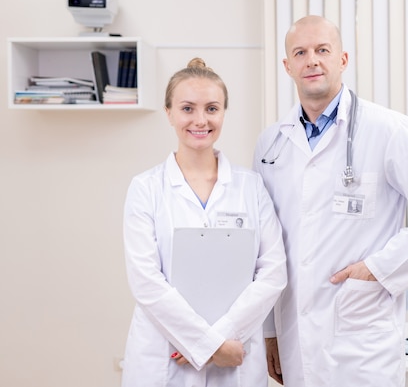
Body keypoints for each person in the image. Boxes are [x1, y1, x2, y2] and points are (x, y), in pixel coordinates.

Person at [253, 15, 408, 387]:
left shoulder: (387, 129)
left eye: (322, 50)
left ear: (343, 59)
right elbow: (267, 243)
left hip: (361, 335)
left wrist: (378, 268)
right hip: (295, 334)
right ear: (288, 66)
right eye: (300, 52)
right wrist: (269, 330)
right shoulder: (271, 144)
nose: (312, 60)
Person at [122, 57, 287, 387]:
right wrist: (209, 345)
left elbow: (273, 272)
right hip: (165, 356)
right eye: (187, 108)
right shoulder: (146, 189)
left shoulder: (251, 187)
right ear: (169, 112)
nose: (200, 119)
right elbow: (146, 283)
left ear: (224, 112)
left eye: (212, 108)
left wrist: (217, 341)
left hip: (235, 351)